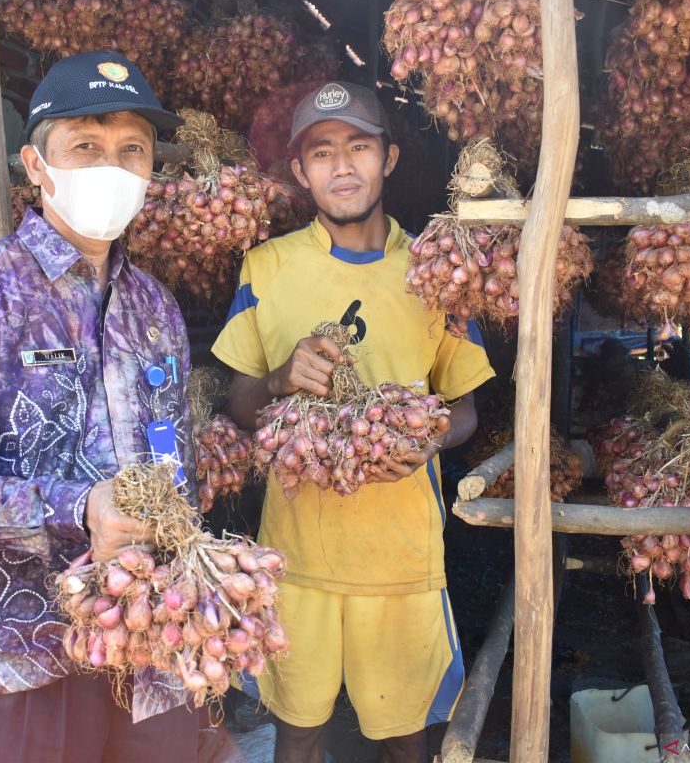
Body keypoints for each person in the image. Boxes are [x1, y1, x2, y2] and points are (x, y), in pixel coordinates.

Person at [0, 51, 199, 762]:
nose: (111, 167)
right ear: (36, 163)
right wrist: (78, 509)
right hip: (26, 657)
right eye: (85, 148)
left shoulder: (157, 306)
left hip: (151, 650)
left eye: (131, 151)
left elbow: (173, 458)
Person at [212, 81, 496, 763]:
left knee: (405, 739)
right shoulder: (267, 267)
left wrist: (429, 433)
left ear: (388, 159)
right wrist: (281, 379)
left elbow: (466, 408)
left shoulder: (437, 272)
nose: (342, 166)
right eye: (322, 152)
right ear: (301, 172)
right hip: (297, 557)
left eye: (359, 147)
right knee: (298, 730)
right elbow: (240, 405)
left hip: (402, 559)